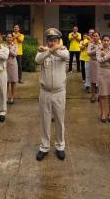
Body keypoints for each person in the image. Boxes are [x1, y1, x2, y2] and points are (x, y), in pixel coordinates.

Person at [35, 28, 69, 161]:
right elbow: (38, 60)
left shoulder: (64, 50)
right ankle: (44, 147)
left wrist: (53, 49)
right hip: (45, 92)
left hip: (59, 93)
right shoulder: (42, 53)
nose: (52, 42)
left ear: (59, 41)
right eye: (49, 40)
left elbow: (66, 56)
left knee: (60, 121)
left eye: (55, 40)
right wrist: (49, 50)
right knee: (45, 120)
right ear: (47, 41)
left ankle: (60, 146)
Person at [97, 34, 110, 123]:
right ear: (102, 41)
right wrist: (109, 56)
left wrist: (105, 56)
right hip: (102, 73)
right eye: (104, 40)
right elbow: (99, 60)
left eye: (107, 40)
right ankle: (103, 113)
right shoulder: (99, 50)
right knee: (103, 95)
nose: (106, 42)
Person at [87, 31, 102, 103]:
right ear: (92, 37)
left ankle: (100, 95)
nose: (95, 37)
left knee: (100, 80)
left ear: (99, 37)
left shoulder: (102, 44)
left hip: (100, 63)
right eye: (94, 36)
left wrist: (95, 50)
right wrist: (96, 49)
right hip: (92, 62)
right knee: (92, 81)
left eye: (97, 36)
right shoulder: (90, 44)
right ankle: (93, 96)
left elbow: (103, 54)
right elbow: (88, 53)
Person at [6, 33, 18, 104]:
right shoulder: (3, 45)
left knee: (13, 81)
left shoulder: (15, 45)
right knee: (6, 81)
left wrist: (10, 50)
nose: (9, 38)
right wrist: (10, 52)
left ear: (12, 38)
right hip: (5, 64)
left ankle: (12, 97)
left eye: (10, 37)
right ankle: (6, 97)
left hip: (13, 64)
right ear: (6, 38)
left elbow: (15, 54)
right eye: (8, 37)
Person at [82, 29, 95, 93]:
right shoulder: (85, 40)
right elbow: (83, 47)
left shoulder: (98, 40)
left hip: (96, 60)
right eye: (90, 32)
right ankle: (87, 86)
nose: (91, 34)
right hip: (87, 59)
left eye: (92, 32)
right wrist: (89, 41)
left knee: (96, 73)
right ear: (88, 33)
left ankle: (96, 87)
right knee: (87, 73)